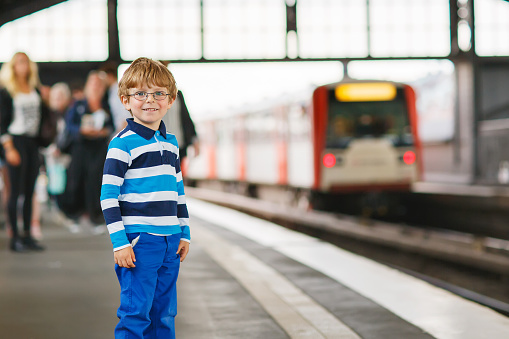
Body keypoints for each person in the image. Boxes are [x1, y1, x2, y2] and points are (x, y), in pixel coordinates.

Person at [100, 57, 190, 338]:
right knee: (135, 314)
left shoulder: (171, 143)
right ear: (126, 100)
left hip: (170, 242)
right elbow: (108, 197)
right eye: (140, 94)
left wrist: (183, 233)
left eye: (158, 93)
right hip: (139, 243)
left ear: (170, 99)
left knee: (164, 314)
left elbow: (178, 192)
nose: (149, 100)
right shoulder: (122, 144)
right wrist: (120, 244)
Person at [0, 52, 48, 252]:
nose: (23, 65)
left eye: (26, 62)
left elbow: (42, 118)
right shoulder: (7, 91)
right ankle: (15, 237)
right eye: (19, 62)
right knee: (15, 193)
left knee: (30, 191)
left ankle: (27, 234)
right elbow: (2, 123)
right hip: (15, 141)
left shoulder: (35, 90)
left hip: (32, 143)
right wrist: (8, 148)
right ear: (12, 66)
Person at [59, 71, 113, 233]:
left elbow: (111, 125)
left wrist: (104, 132)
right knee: (76, 181)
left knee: (96, 181)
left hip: (99, 148)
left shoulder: (106, 105)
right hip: (80, 147)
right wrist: (82, 130)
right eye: (93, 83)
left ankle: (96, 217)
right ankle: (74, 215)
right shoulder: (78, 104)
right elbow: (70, 125)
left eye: (99, 84)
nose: (96, 87)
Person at [99, 61, 131, 133]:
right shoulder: (112, 91)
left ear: (109, 76)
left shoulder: (117, 92)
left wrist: (118, 135)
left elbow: (125, 116)